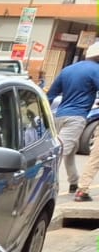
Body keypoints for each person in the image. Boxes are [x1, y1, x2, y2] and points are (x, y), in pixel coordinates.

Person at [43, 42, 99, 193]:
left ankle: (74, 181)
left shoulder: (67, 70)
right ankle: (44, 186)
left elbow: (50, 95)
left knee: (70, 151)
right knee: (59, 152)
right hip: (76, 118)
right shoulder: (96, 70)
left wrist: (45, 116)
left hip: (59, 116)